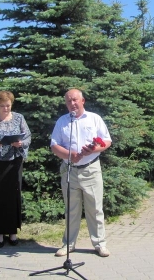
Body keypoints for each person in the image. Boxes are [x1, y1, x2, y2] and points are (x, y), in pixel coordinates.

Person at [50, 89, 112, 257]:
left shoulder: (94, 118)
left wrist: (94, 149)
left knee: (95, 209)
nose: (72, 104)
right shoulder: (62, 121)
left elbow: (107, 140)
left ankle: (100, 244)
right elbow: (54, 145)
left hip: (91, 169)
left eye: (75, 100)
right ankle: (68, 244)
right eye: (69, 101)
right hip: (70, 170)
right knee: (71, 209)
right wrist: (70, 155)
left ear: (83, 100)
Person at [0, 90, 31, 248]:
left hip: (14, 161)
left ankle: (13, 232)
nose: (6, 108)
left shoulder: (18, 117)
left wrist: (20, 143)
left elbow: (28, 135)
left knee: (13, 195)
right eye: (2, 106)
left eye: (8, 105)